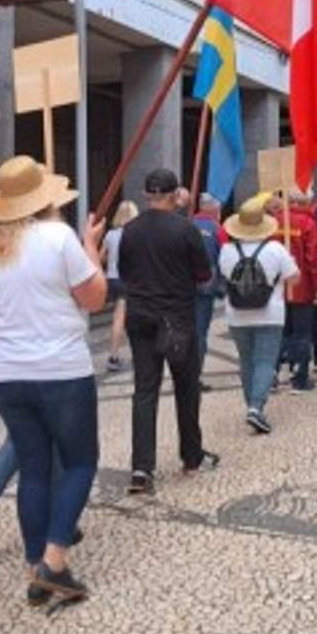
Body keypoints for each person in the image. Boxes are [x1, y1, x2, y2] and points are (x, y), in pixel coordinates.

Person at [0, 156, 105, 601]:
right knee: (80, 462)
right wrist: (91, 251)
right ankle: (54, 561)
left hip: (7, 374)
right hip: (61, 369)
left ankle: (33, 565)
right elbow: (95, 297)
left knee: (34, 467)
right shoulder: (59, 237)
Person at [119, 169, 219, 494]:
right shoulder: (185, 229)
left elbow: (123, 271)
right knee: (186, 389)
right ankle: (191, 457)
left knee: (144, 390)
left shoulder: (129, 230)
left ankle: (141, 468)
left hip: (140, 318)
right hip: (176, 319)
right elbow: (203, 274)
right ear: (176, 195)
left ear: (147, 195)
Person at [219, 201, 300, 434]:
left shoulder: (227, 251)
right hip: (270, 313)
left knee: (246, 360)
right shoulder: (275, 249)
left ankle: (252, 405)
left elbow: (224, 276)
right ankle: (256, 407)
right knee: (265, 360)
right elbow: (294, 278)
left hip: (237, 314)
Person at [271, 189, 317, 392]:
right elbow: (314, 260)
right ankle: (299, 377)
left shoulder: (273, 222)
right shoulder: (308, 223)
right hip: (301, 287)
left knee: (279, 333)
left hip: (277, 287)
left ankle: (272, 375)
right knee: (301, 333)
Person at [190, 193, 225, 391]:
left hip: (184, 286)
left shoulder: (187, 224)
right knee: (200, 332)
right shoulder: (217, 229)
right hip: (207, 286)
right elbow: (224, 257)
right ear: (213, 209)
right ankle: (194, 377)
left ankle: (184, 375)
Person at [103, 200, 138, 372]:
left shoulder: (111, 234)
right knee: (124, 319)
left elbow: (101, 256)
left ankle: (116, 355)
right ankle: (115, 356)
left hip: (113, 279)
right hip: (129, 280)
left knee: (120, 316)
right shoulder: (137, 234)